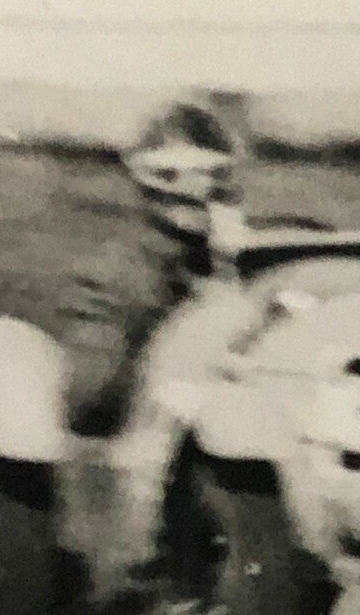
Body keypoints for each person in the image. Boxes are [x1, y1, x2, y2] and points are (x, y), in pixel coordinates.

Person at [59, 99, 245, 436]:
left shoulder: (243, 261)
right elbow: (89, 400)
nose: (201, 190)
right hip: (149, 436)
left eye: (215, 177)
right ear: (149, 185)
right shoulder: (112, 275)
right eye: (174, 179)